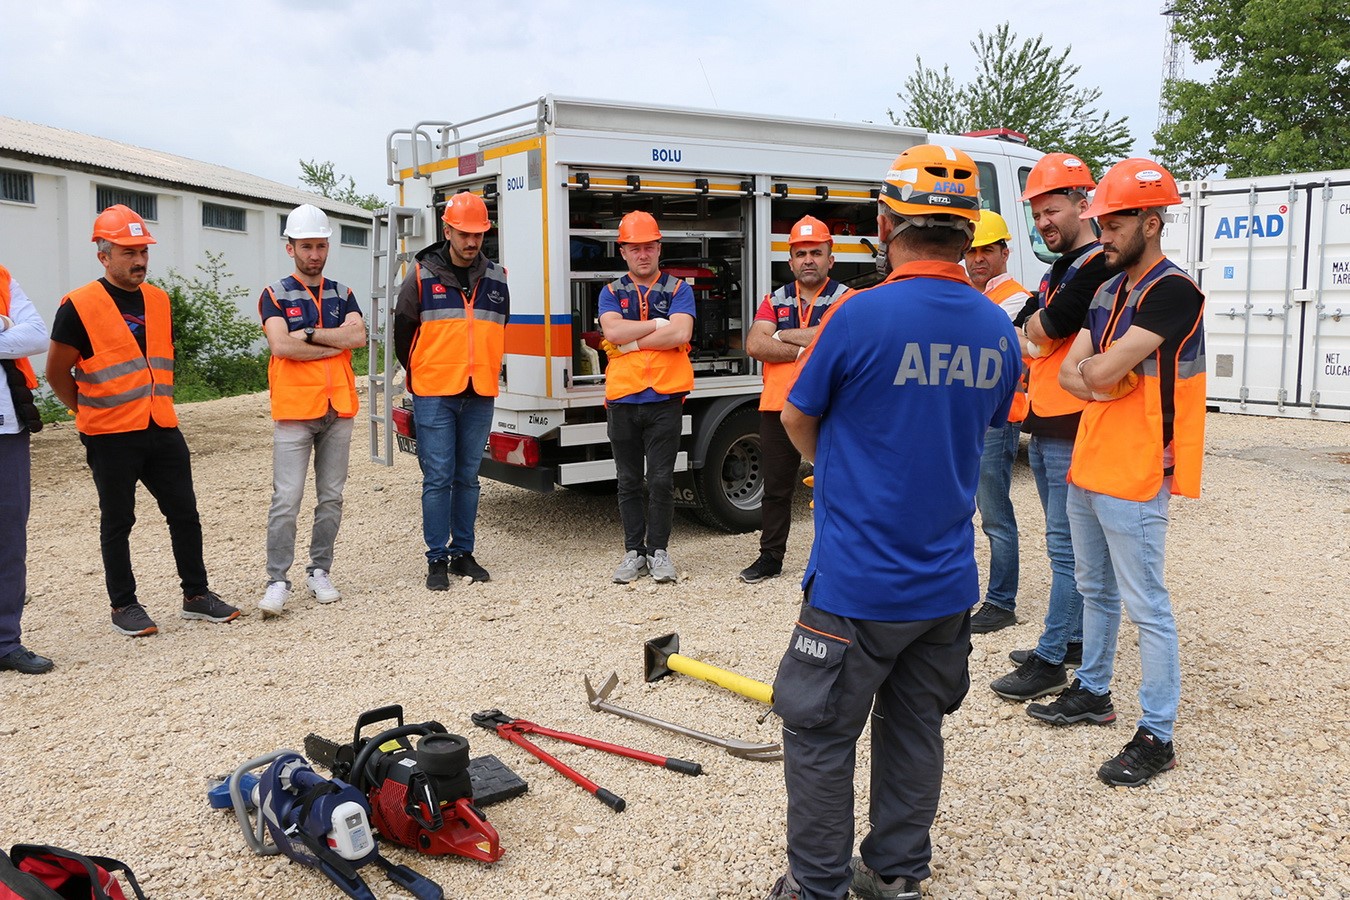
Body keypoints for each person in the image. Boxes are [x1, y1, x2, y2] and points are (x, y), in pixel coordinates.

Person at [766, 145, 1021, 900]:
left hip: (856, 581)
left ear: (885, 222)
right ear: (969, 228)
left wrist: (837, 473)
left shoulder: (858, 315)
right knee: (915, 729)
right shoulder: (997, 329)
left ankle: (817, 886)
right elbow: (984, 426)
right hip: (945, 582)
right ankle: (896, 873)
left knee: (818, 733)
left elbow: (795, 415)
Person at [1028, 159, 1205, 788]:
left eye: (1115, 221)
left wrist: (1101, 376)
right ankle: (1095, 692)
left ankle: (1157, 734)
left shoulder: (1173, 291)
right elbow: (1076, 375)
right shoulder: (1107, 291)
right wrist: (1102, 377)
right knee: (1096, 591)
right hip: (1091, 460)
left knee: (1146, 604)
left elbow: (1091, 373)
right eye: (1099, 221)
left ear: (1151, 222)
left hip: (1135, 469)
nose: (1102, 232)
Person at [45, 205, 239, 636]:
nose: (139, 260)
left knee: (184, 513)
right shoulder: (79, 305)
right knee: (118, 521)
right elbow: (57, 373)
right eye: (128, 251)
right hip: (111, 435)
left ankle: (196, 595)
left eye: (143, 251)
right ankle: (124, 605)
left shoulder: (159, 299)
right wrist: (84, 409)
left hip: (161, 425)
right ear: (103, 255)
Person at [987, 154, 1111, 701]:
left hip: (1072, 421)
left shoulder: (1096, 266)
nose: (1043, 222)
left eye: (1051, 210)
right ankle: (1075, 637)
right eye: (1036, 214)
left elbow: (1050, 325)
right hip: (1048, 419)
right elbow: (1027, 327)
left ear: (1084, 205)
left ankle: (1052, 655)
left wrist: (1038, 329)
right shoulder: (1061, 269)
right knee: (1066, 542)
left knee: (1065, 545)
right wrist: (1037, 329)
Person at [394, 191, 508, 590]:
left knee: (469, 477)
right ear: (447, 231)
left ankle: (463, 553)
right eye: (463, 234)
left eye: (478, 234)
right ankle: (436, 559)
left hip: (479, 391)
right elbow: (403, 333)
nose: (471, 242)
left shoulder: (497, 276)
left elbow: (497, 328)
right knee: (438, 477)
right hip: (435, 392)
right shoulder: (422, 274)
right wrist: (424, 372)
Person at [257, 205, 366, 616]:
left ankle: (319, 570)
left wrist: (310, 334)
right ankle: (277, 580)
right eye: (307, 246)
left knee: (331, 498)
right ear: (291, 248)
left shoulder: (343, 292)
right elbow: (281, 346)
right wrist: (332, 343)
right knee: (286, 499)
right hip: (295, 411)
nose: (315, 254)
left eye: (321, 246)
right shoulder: (274, 294)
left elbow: (358, 337)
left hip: (338, 408)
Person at [738, 216, 850, 584]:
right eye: (800, 253)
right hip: (778, 407)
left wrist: (784, 334)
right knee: (775, 489)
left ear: (830, 258)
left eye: (816, 252)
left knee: (836, 486)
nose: (808, 260)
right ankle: (770, 558)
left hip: (832, 406)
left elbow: (835, 340)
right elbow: (755, 345)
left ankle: (835, 559)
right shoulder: (776, 298)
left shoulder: (846, 298)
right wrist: (808, 345)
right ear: (790, 261)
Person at [598, 210, 695, 585]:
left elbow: (680, 334)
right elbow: (611, 329)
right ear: (623, 251)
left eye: (649, 247)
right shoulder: (610, 291)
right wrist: (658, 324)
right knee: (627, 480)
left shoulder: (678, 288)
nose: (643, 254)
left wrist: (631, 341)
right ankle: (633, 552)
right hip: (623, 398)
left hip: (665, 398)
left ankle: (658, 551)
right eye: (634, 248)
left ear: (659, 248)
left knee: (659, 480)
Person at [962, 211, 1030, 632]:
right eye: (971, 250)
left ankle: (1002, 602)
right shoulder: (971, 294)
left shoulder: (1015, 298)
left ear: (1005, 251)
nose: (978, 259)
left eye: (987, 249)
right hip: (968, 415)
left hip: (998, 418)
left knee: (994, 513)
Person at [0, 265, 53, 674]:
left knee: (8, 537)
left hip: (7, 426)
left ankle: (5, 641)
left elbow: (36, 334)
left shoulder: (1, 277)